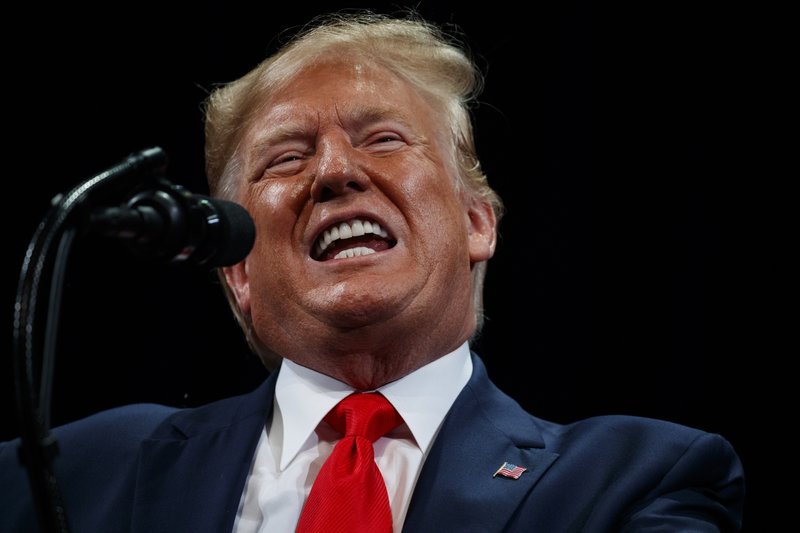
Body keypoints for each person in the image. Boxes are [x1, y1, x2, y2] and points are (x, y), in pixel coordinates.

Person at [1, 9, 745, 533]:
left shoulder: (634, 479)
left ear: (477, 222)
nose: (332, 171)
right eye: (285, 157)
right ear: (239, 274)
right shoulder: (74, 470)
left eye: (383, 138)